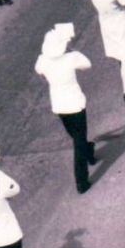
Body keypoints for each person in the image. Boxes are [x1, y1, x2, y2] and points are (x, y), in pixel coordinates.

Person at [34, 24, 97, 194]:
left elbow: (38, 69)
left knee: (76, 137)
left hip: (60, 106)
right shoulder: (72, 58)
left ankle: (89, 152)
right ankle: (81, 180)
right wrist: (70, 49)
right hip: (75, 104)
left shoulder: (43, 60)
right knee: (79, 140)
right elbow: (87, 64)